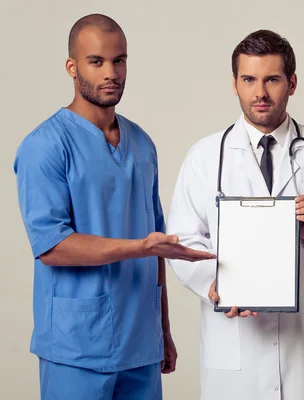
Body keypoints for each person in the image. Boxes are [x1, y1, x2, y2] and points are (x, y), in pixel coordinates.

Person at [13, 14, 214, 400]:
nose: (111, 72)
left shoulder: (141, 144)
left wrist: (162, 329)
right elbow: (52, 247)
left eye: (119, 60)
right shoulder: (45, 146)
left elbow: (157, 244)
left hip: (140, 344)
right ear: (72, 67)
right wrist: (139, 247)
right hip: (76, 348)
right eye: (96, 61)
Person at [166, 29, 304, 400]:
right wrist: (213, 285)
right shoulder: (204, 156)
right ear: (234, 84)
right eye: (248, 79)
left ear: (292, 83)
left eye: (271, 79)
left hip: (301, 345)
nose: (259, 92)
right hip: (235, 342)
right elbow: (183, 240)